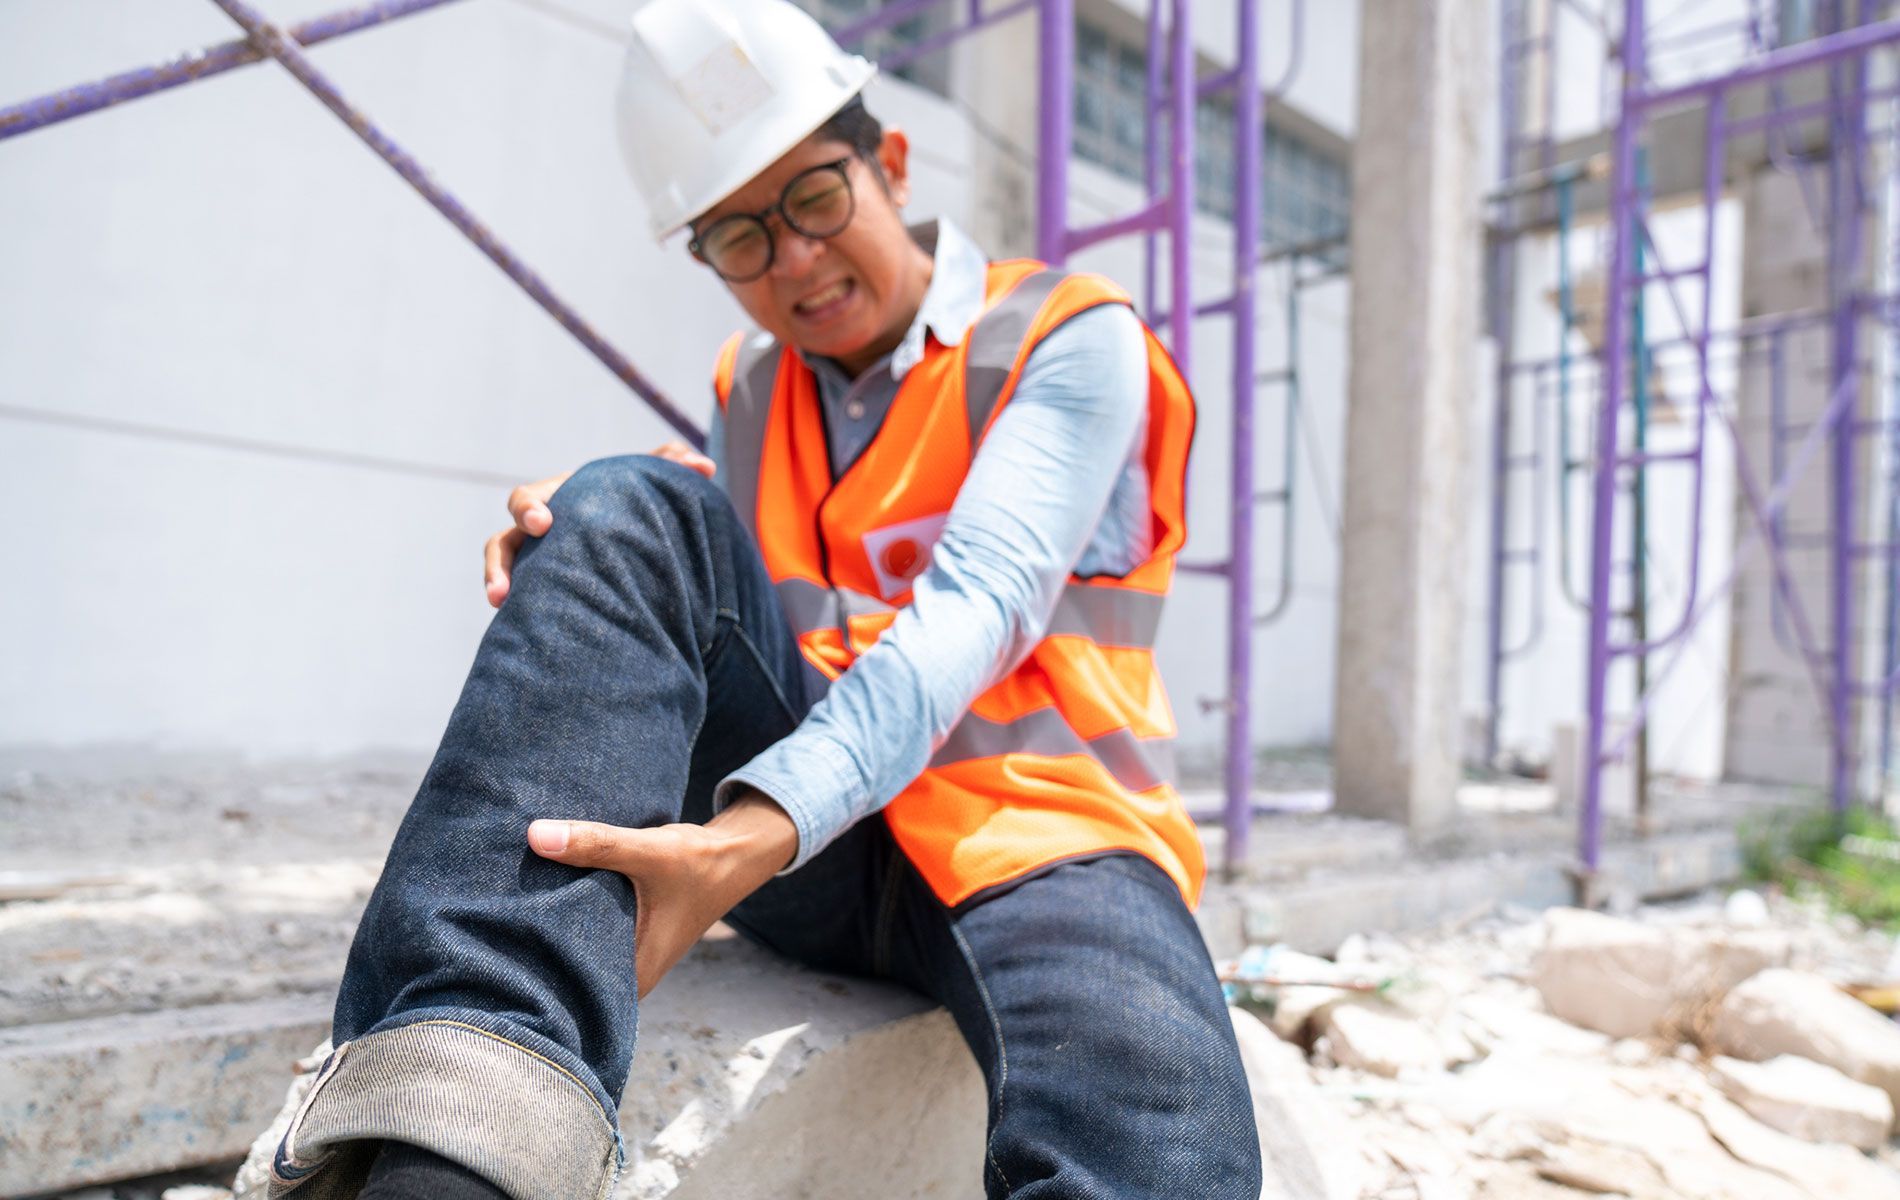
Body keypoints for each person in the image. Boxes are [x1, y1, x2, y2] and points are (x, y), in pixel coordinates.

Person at [265, 1, 1261, 1196]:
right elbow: (741, 589)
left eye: (814, 199)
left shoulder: (1062, 337)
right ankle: (446, 1135)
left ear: (890, 165)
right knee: (612, 502)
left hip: (1038, 837)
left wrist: (747, 837)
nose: (790, 257)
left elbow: (977, 605)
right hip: (822, 851)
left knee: (1147, 1122)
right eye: (736, 234)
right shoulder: (750, 386)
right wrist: (595, 525)